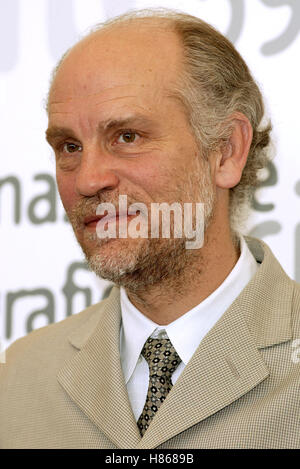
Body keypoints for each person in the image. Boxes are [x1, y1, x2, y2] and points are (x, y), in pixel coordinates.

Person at [0, 8, 299, 449]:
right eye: (69, 146)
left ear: (227, 151)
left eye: (127, 137)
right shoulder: (20, 377)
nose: (87, 179)